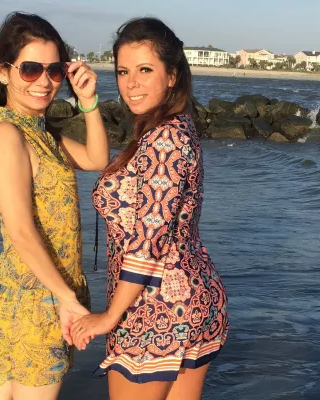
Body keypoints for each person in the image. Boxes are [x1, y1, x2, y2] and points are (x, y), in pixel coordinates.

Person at [71, 17, 229, 400]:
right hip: (195, 299)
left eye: (145, 70)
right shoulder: (179, 126)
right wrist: (88, 104)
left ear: (171, 75)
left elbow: (148, 243)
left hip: (155, 311)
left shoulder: (163, 140)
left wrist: (109, 317)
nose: (131, 83)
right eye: (124, 71)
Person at [0, 12, 109, 400]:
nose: (45, 82)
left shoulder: (42, 134)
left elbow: (97, 158)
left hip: (40, 294)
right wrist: (66, 300)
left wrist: (88, 102)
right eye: (31, 69)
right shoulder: (6, 135)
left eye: (55, 71)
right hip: (33, 299)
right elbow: (19, 228)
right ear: (4, 72)